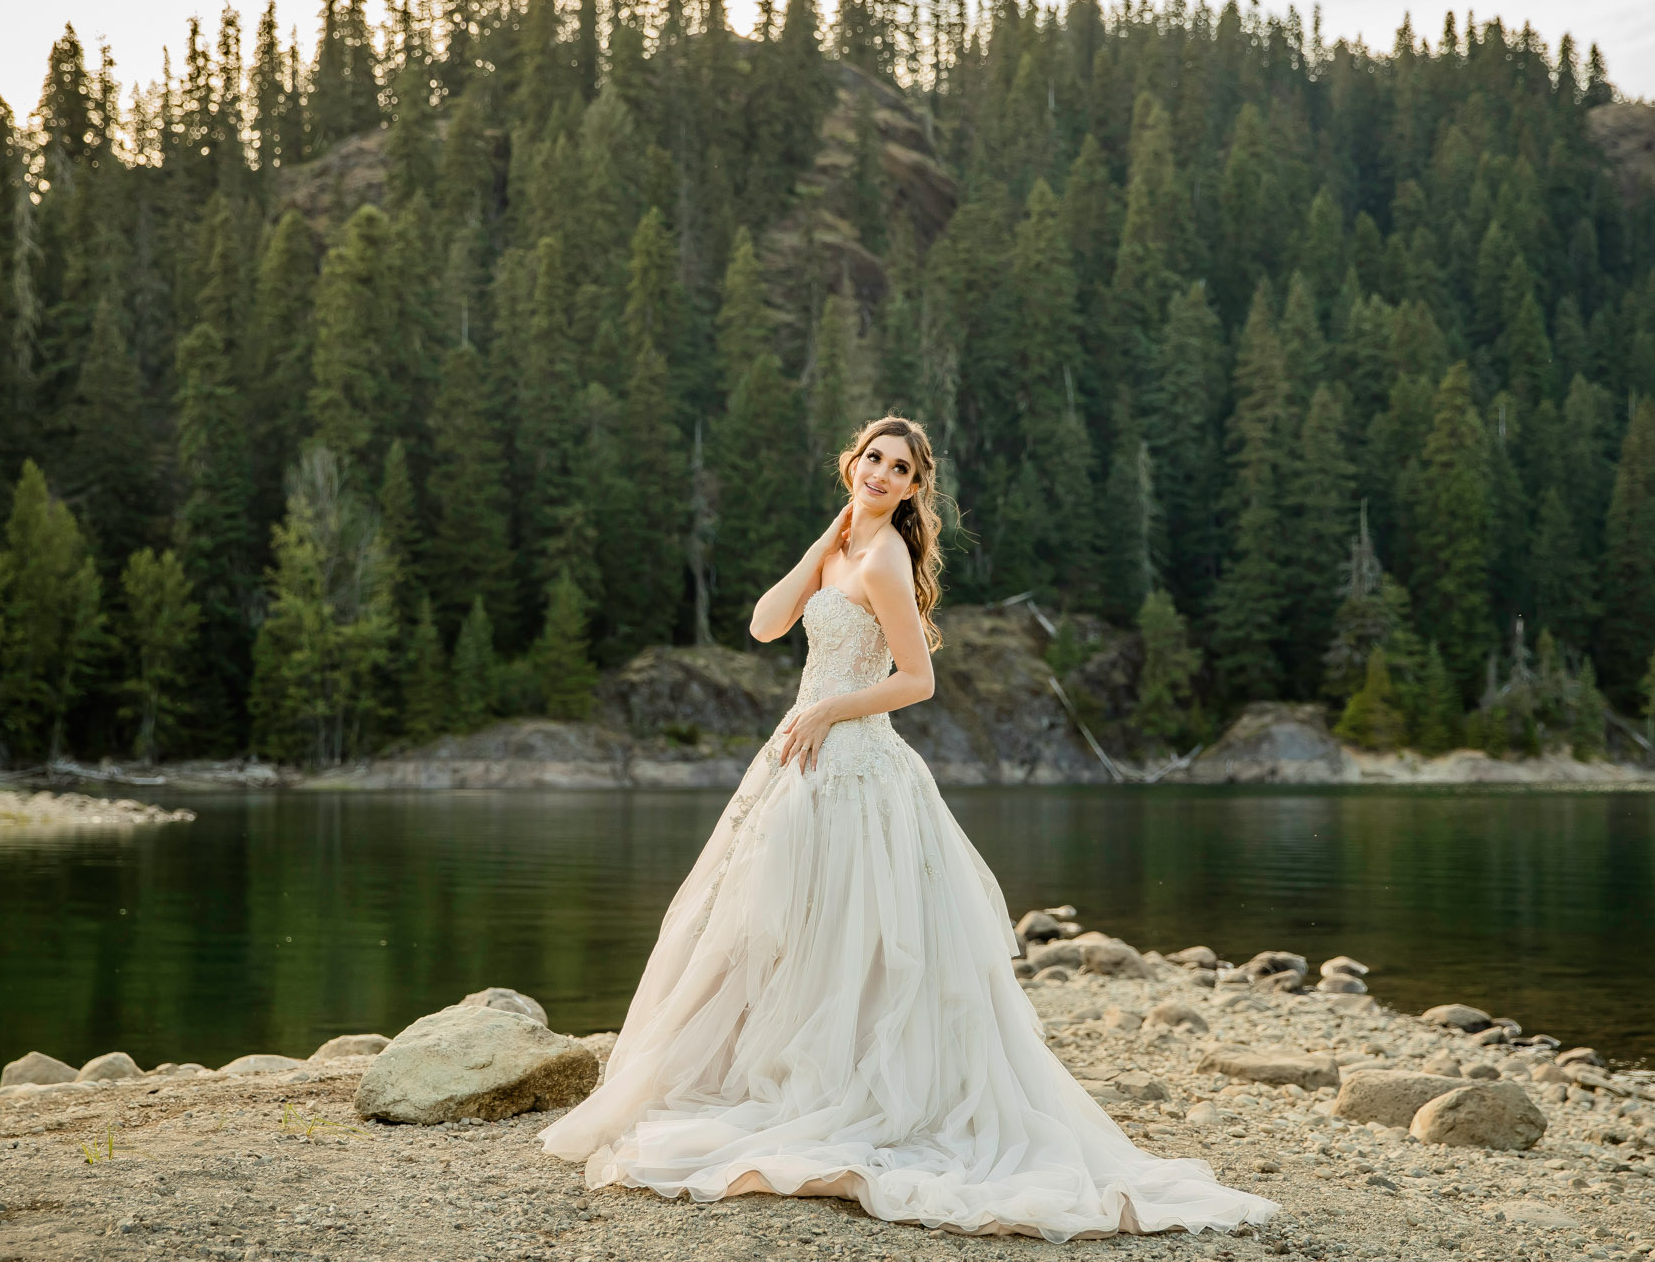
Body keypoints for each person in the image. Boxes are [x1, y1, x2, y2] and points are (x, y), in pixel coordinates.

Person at [538, 415, 1278, 1241]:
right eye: (873, 460)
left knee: (857, 936)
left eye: (900, 469)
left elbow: (917, 679)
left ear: (916, 486)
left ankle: (854, 1091)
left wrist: (827, 707)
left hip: (857, 768)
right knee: (782, 927)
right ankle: (784, 1075)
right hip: (800, 762)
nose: (883, 475)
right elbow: (762, 624)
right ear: (851, 463)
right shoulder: (841, 546)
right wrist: (831, 532)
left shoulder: (887, 557)